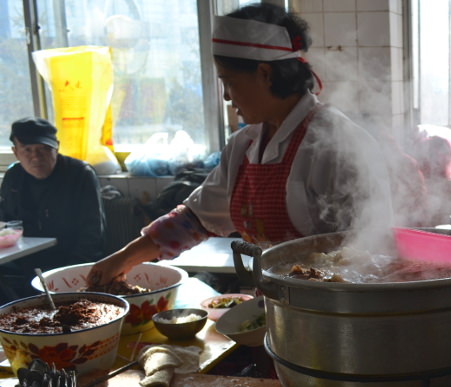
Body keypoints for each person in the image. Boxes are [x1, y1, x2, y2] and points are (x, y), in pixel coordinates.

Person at [87, 3, 393, 287]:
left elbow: (372, 250)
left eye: (229, 81)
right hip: (276, 303)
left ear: (264, 73)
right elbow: (194, 219)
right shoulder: (244, 145)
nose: (226, 97)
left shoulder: (336, 142)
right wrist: (121, 259)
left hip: (333, 312)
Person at [0, 117, 105, 302]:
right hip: (25, 265)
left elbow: (92, 234)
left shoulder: (80, 174)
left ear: (56, 146)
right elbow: (7, 224)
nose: (36, 157)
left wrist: (71, 275)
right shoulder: (13, 177)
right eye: (27, 150)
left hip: (69, 262)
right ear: (15, 152)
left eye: (44, 149)